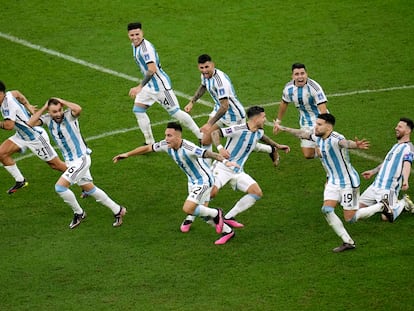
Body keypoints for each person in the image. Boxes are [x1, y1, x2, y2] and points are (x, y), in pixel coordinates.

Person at [275, 113, 391, 253]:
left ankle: (380, 206)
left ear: (329, 127)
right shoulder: (317, 137)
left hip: (348, 182)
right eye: (316, 124)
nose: (315, 127)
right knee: (327, 210)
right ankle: (348, 242)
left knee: (351, 218)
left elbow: (346, 143)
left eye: (319, 124)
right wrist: (284, 129)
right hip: (333, 181)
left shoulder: (336, 138)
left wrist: (356, 145)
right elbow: (302, 134)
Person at [113, 122, 239, 245]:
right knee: (203, 214)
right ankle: (228, 232)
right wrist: (127, 154)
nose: (166, 138)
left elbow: (208, 154)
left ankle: (217, 213)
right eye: (166, 135)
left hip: (204, 180)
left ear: (178, 137)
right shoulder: (166, 145)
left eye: (169, 136)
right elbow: (148, 148)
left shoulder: (188, 147)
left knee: (188, 208)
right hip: (192, 181)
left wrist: (226, 162)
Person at [180, 106, 290, 232]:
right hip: (222, 167)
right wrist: (220, 148)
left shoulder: (259, 131)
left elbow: (263, 137)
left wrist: (277, 146)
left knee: (256, 192)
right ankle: (190, 217)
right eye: (264, 117)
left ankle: (228, 217)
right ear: (256, 118)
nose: (265, 120)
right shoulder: (239, 128)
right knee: (210, 193)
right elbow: (215, 133)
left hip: (238, 170)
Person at [28, 98, 127, 229]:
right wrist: (44, 108)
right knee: (90, 189)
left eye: (59, 110)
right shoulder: (47, 119)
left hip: (81, 159)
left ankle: (79, 213)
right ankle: (118, 210)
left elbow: (78, 109)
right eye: (54, 112)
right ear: (49, 112)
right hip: (71, 162)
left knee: (60, 187)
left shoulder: (70, 115)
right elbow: (30, 123)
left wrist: (62, 101)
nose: (58, 114)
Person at [184, 54, 280, 166]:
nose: (204, 70)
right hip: (218, 109)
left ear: (212, 65)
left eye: (207, 67)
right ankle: (207, 171)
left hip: (234, 115)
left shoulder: (220, 82)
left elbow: (225, 106)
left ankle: (271, 149)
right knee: (205, 140)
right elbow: (203, 86)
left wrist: (210, 124)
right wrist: (192, 101)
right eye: (202, 68)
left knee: (245, 145)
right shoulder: (205, 75)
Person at [127, 22, 202, 145]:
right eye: (132, 35)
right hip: (149, 86)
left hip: (160, 87)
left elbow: (152, 69)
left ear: (142, 33)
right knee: (138, 110)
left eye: (137, 34)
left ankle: (200, 135)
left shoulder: (146, 49)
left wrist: (139, 87)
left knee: (176, 113)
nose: (135, 37)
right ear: (128, 35)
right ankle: (149, 142)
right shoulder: (135, 45)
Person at [0, 81, 67, 194]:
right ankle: (20, 181)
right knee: (1, 153)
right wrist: (28, 105)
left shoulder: (8, 105)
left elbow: (9, 126)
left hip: (35, 138)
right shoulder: (9, 95)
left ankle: (84, 182)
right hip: (21, 136)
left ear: (1, 93)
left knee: (56, 165)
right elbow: (17, 93)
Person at [357, 117, 414, 222]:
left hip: (389, 188)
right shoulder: (395, 146)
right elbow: (386, 163)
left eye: (400, 127)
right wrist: (373, 171)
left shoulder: (408, 147)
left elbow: (407, 164)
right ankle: (381, 204)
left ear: (408, 130)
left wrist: (405, 180)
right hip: (375, 186)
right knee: (356, 210)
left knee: (386, 217)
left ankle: (404, 203)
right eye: (397, 126)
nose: (396, 128)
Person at [273, 63, 328, 159]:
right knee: (308, 154)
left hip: (319, 119)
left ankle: (333, 153)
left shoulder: (314, 88)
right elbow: (284, 103)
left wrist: (322, 126)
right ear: (292, 76)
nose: (300, 76)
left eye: (302, 73)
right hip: (305, 122)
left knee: (321, 152)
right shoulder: (288, 88)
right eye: (297, 74)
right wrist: (278, 121)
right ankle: (328, 151)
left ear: (307, 74)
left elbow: (322, 108)